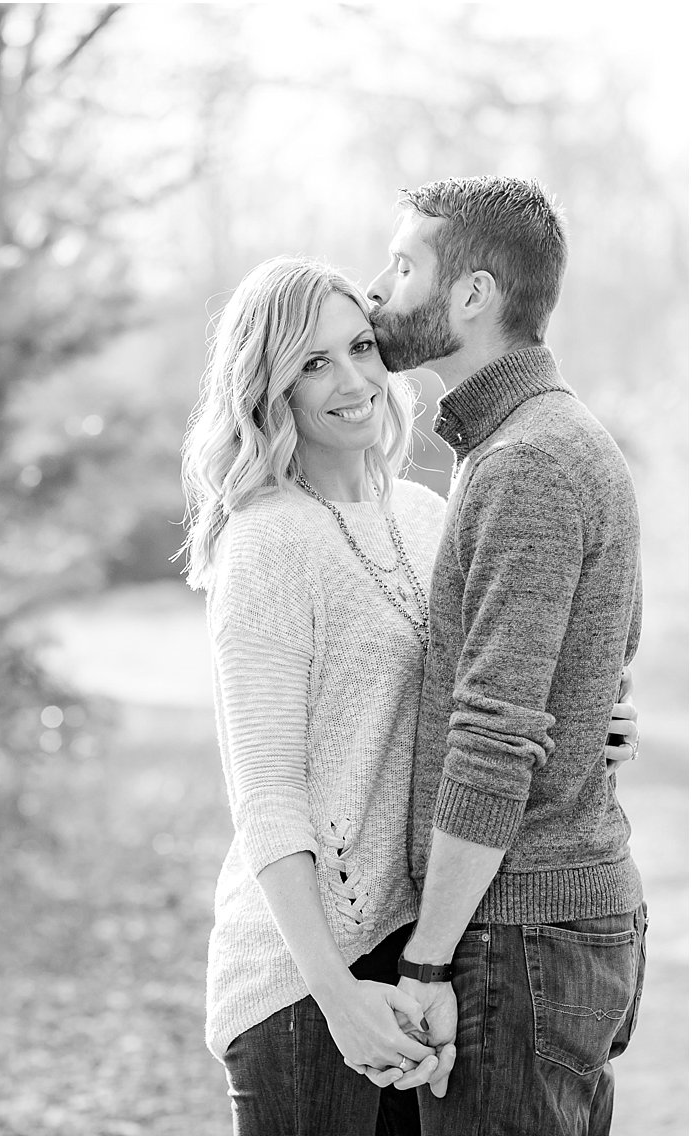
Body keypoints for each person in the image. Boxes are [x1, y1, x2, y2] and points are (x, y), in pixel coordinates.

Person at [179, 256, 639, 1135]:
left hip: (425, 949)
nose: (351, 379)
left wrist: (588, 723)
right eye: (312, 363)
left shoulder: (427, 515)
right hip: (305, 977)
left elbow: (489, 699)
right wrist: (337, 994)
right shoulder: (268, 541)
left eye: (359, 346)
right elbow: (267, 801)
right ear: (266, 386)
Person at [367, 175, 646, 1135]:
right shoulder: (538, 443)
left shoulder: (529, 460)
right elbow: (594, 666)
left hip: (517, 933)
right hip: (547, 927)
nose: (381, 289)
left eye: (404, 266)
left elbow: (494, 735)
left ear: (473, 294)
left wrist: (428, 959)